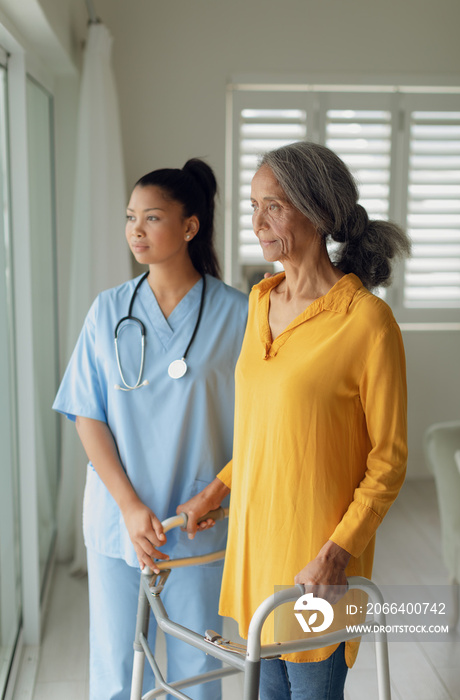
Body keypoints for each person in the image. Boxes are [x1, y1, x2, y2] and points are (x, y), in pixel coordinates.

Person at [177, 142, 410, 700]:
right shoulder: (260, 301)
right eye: (254, 205)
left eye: (274, 206)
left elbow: (390, 460)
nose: (257, 222)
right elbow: (267, 433)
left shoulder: (368, 323)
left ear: (319, 211)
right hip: (257, 549)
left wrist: (338, 552)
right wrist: (216, 489)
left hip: (317, 566)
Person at [53, 158, 248, 700]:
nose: (135, 230)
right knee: (117, 673)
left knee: (196, 671)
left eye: (152, 218)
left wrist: (218, 492)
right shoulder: (108, 309)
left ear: (190, 226)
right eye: (130, 217)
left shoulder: (239, 314)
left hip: (198, 519)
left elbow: (263, 422)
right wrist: (129, 507)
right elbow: (86, 412)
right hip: (121, 519)